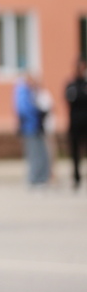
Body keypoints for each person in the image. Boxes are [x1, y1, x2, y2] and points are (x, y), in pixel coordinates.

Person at [14, 74, 50, 189]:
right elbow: (25, 109)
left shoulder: (29, 91)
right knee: (35, 154)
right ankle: (35, 180)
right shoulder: (23, 91)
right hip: (30, 127)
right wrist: (38, 113)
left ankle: (41, 178)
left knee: (40, 154)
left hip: (35, 127)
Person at [65, 58, 87, 192]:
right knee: (75, 152)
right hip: (75, 123)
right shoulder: (71, 84)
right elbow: (70, 99)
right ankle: (76, 177)